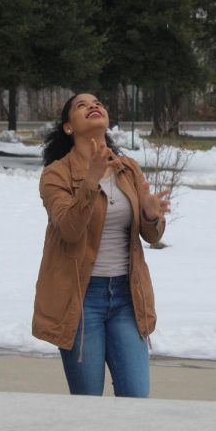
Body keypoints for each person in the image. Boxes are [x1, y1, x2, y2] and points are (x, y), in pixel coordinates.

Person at [33, 93, 171, 397]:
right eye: (82, 105)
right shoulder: (55, 175)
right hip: (81, 300)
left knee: (136, 397)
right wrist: (91, 181)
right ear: (69, 127)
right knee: (88, 405)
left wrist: (150, 216)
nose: (93, 106)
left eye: (97, 102)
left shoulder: (127, 169)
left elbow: (152, 236)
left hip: (126, 297)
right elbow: (69, 230)